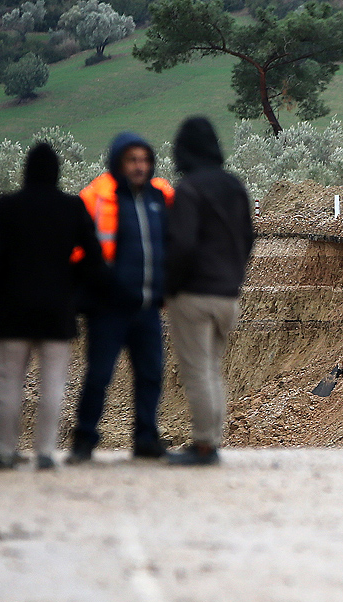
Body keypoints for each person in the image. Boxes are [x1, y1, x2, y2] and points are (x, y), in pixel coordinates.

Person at [0, 143, 106, 470]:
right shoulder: (71, 207)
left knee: (9, 384)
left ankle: (4, 450)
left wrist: (1, 287)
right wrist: (71, 280)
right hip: (57, 309)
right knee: (53, 384)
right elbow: (95, 259)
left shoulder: (7, 206)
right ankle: (45, 452)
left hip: (12, 309)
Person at [68, 132, 173, 463]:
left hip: (147, 306)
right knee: (99, 375)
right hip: (107, 309)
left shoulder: (161, 197)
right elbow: (75, 248)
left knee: (151, 374)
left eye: (144, 160)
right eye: (132, 160)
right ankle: (84, 440)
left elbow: (172, 245)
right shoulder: (97, 196)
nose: (139, 166)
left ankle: (145, 438)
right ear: (118, 162)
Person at [163, 117, 254, 466]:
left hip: (195, 295)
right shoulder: (235, 186)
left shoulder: (189, 189)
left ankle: (204, 445)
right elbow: (248, 238)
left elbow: (182, 245)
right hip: (228, 295)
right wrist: (233, 275)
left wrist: (170, 287)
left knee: (197, 371)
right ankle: (211, 441)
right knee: (212, 369)